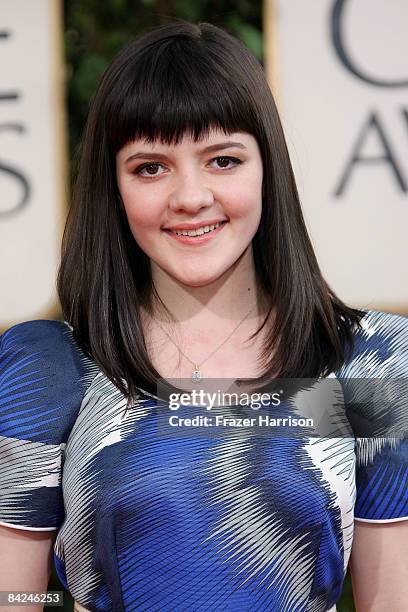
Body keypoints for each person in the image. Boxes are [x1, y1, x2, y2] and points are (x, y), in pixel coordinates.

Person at [0, 19, 407, 612]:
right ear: (113, 187)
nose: (190, 197)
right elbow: (14, 593)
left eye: (222, 160)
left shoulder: (368, 361)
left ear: (267, 166)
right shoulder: (51, 368)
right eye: (150, 167)